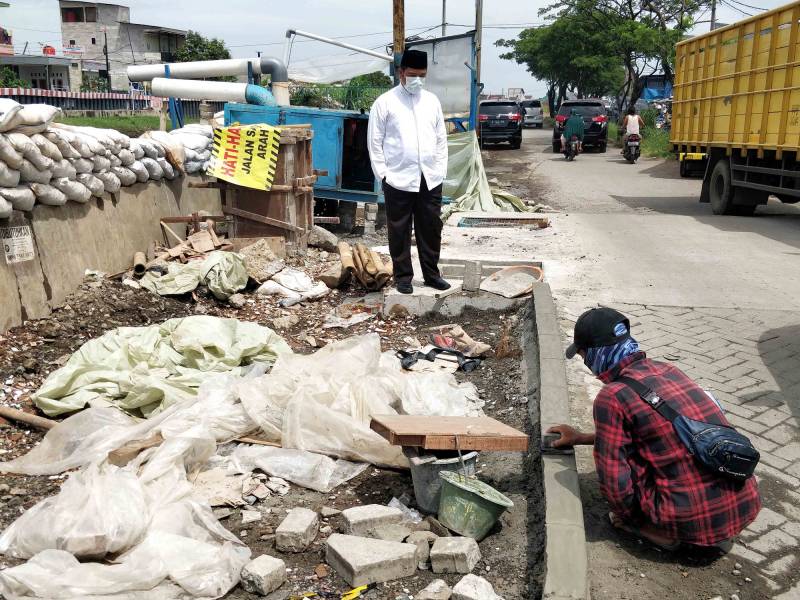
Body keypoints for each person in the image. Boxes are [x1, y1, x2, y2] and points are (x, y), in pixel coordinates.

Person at [548, 307, 761, 550]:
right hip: (743, 505)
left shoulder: (612, 397)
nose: (587, 364)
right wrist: (580, 438)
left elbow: (613, 478)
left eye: (584, 356)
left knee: (621, 466)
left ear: (595, 354)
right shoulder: (668, 370)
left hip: (693, 520)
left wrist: (628, 516)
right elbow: (665, 434)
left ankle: (657, 532)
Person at [367, 49, 449, 295]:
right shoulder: (385, 103)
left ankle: (432, 275)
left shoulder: (432, 101)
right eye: (412, 74)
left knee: (431, 228)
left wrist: (439, 170)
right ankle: (403, 277)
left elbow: (441, 139)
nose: (417, 80)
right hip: (398, 179)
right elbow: (375, 142)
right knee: (399, 230)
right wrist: (383, 175)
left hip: (430, 178)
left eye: (422, 75)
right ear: (401, 72)